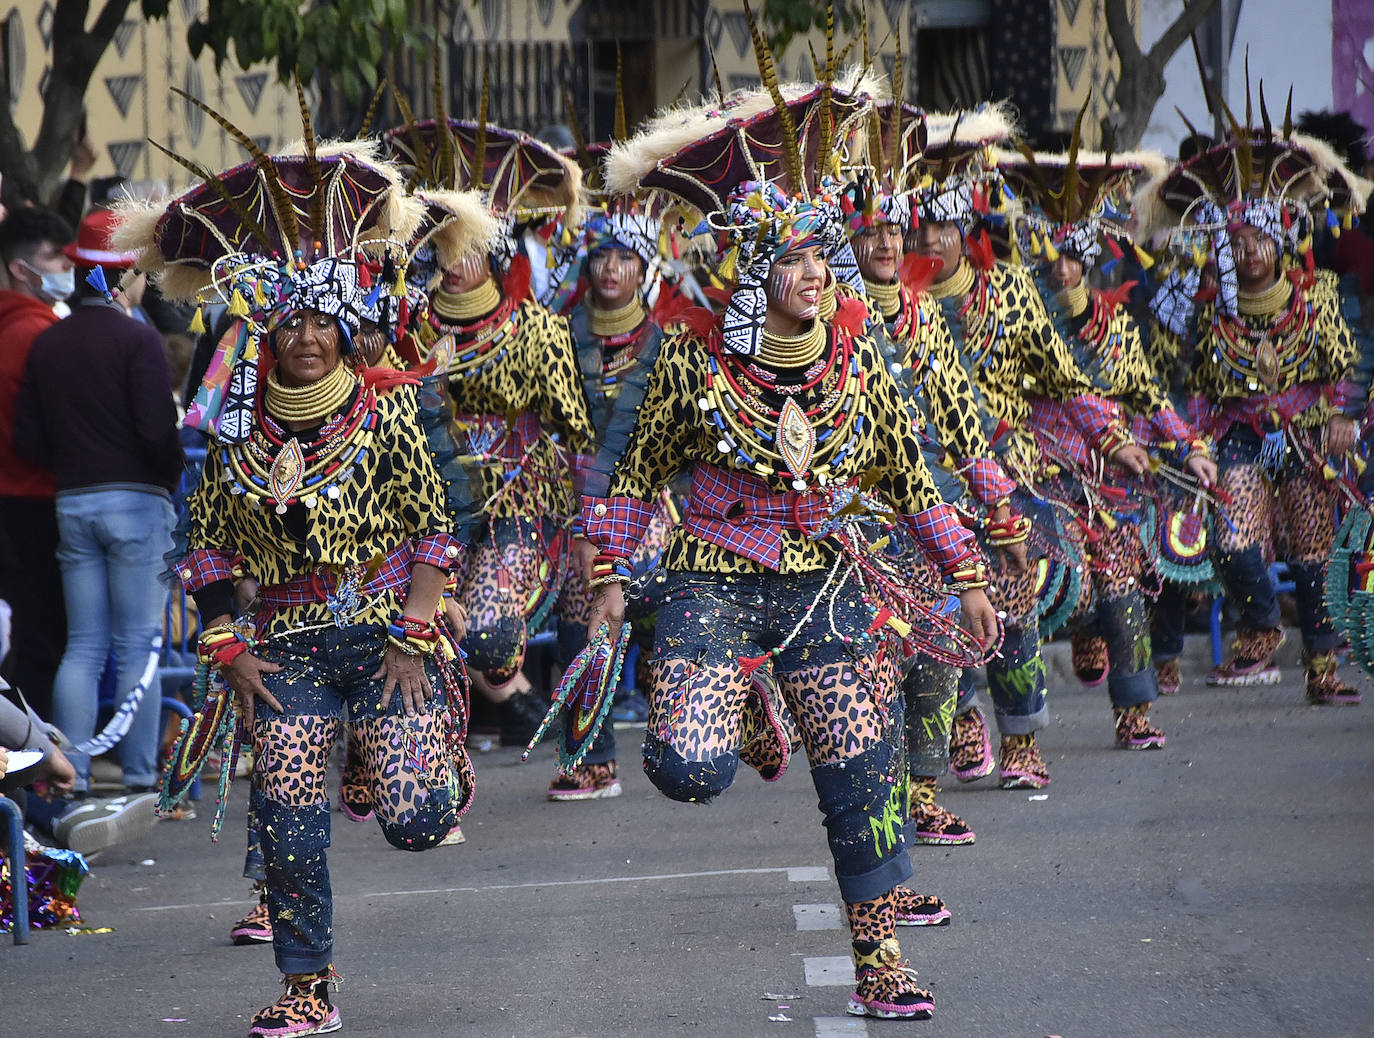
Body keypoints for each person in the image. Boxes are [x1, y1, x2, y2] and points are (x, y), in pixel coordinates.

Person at [581, 66, 999, 1021]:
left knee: (861, 761)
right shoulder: (693, 365)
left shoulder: (861, 366)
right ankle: (741, 697)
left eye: (824, 258)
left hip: (825, 576)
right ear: (758, 268)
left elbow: (908, 476)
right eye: (796, 259)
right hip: (712, 578)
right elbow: (636, 473)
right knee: (687, 768)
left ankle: (880, 951)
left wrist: (966, 572)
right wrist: (611, 576)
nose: (816, 274)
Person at [119, 134, 478, 1035]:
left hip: (392, 635)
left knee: (418, 820)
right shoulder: (239, 433)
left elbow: (437, 526)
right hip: (287, 649)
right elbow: (202, 551)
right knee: (284, 817)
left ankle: (411, 745)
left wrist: (417, 628)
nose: (309, 338)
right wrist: (225, 644)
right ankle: (307, 983)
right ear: (267, 331)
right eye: (291, 324)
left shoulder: (388, 408)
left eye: (323, 322)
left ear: (344, 326)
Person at [911, 105, 1145, 788]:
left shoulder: (1011, 293)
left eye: (943, 226)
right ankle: (960, 717)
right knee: (925, 610)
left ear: (968, 229)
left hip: (1009, 473)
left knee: (1017, 592)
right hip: (918, 483)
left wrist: (1112, 435)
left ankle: (1022, 741)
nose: (930, 239)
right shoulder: (891, 306)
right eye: (917, 227)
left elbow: (1068, 378)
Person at [381, 115, 595, 748]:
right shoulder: (407, 332)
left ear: (496, 253)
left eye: (468, 247)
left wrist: (595, 529)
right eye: (443, 246)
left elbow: (576, 434)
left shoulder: (535, 330)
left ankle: (513, 694)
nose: (453, 261)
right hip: (427, 507)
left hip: (516, 504)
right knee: (412, 626)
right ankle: (458, 742)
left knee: (487, 633)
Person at [1146, 102, 1367, 703]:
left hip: (1306, 433)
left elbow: (1345, 365)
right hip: (1236, 433)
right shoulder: (1210, 308)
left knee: (1315, 552)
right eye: (1236, 244)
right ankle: (1262, 626)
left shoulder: (1315, 295)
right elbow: (1181, 376)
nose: (1247, 254)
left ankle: (1322, 670)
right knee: (1231, 538)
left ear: (1279, 241)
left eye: (1257, 242)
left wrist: (1344, 418)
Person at [1001, 139, 1218, 746]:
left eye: (1074, 258)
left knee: (1122, 582)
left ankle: (1135, 711)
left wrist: (1190, 447)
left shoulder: (1113, 324)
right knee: (1038, 583)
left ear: (1090, 258)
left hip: (1106, 481)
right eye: (1053, 258)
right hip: (1035, 476)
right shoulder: (1016, 319)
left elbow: (1149, 394)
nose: (1063, 269)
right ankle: (1019, 735)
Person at [12, 208, 183, 795]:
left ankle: (73, 773)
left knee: (83, 646)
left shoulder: (50, 340)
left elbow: (29, 439)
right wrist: (168, 477)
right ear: (126, 274)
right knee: (138, 642)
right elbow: (159, 433)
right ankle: (138, 776)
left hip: (72, 505)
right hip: (137, 505)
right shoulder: (137, 339)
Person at [0, 207, 74, 723]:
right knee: (43, 638)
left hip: (15, 503)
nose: (67, 266)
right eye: (55, 257)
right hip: (39, 502)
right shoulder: (43, 335)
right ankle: (38, 764)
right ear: (20, 268)